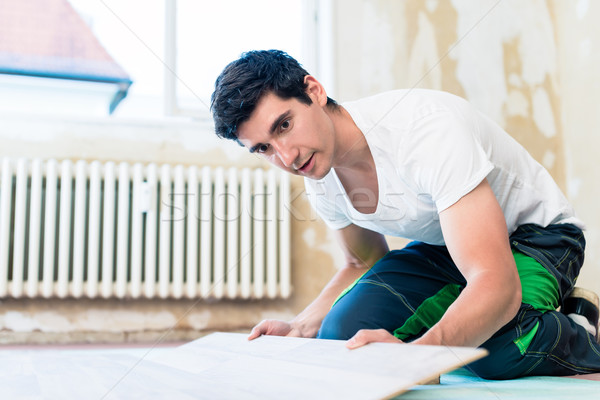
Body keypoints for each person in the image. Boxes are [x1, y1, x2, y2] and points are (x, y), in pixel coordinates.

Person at [210, 49, 600, 379]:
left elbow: (495, 282)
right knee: (343, 334)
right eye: (263, 148)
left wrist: (420, 355)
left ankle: (581, 327)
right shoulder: (318, 169)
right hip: (447, 245)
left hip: (539, 237)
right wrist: (300, 327)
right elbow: (362, 259)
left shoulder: (424, 132)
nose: (287, 157)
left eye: (284, 125)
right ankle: (462, 315)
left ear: (313, 91)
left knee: (490, 346)